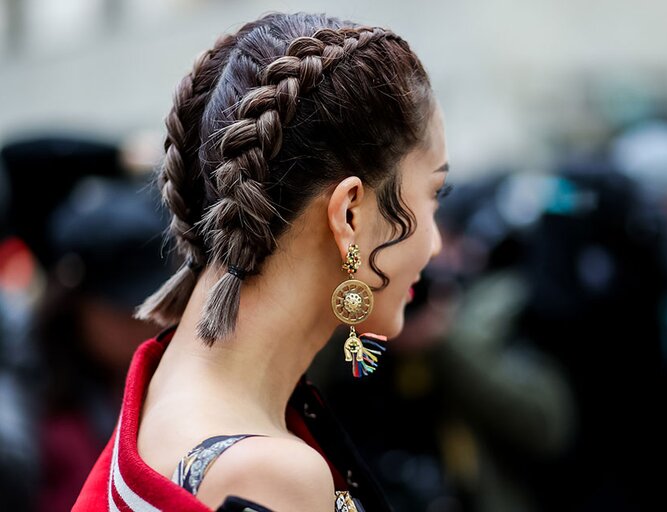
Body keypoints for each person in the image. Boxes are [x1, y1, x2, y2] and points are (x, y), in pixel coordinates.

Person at [74, 12, 448, 512]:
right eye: (434, 193)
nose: (438, 243)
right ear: (350, 215)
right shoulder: (268, 478)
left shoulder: (170, 394)